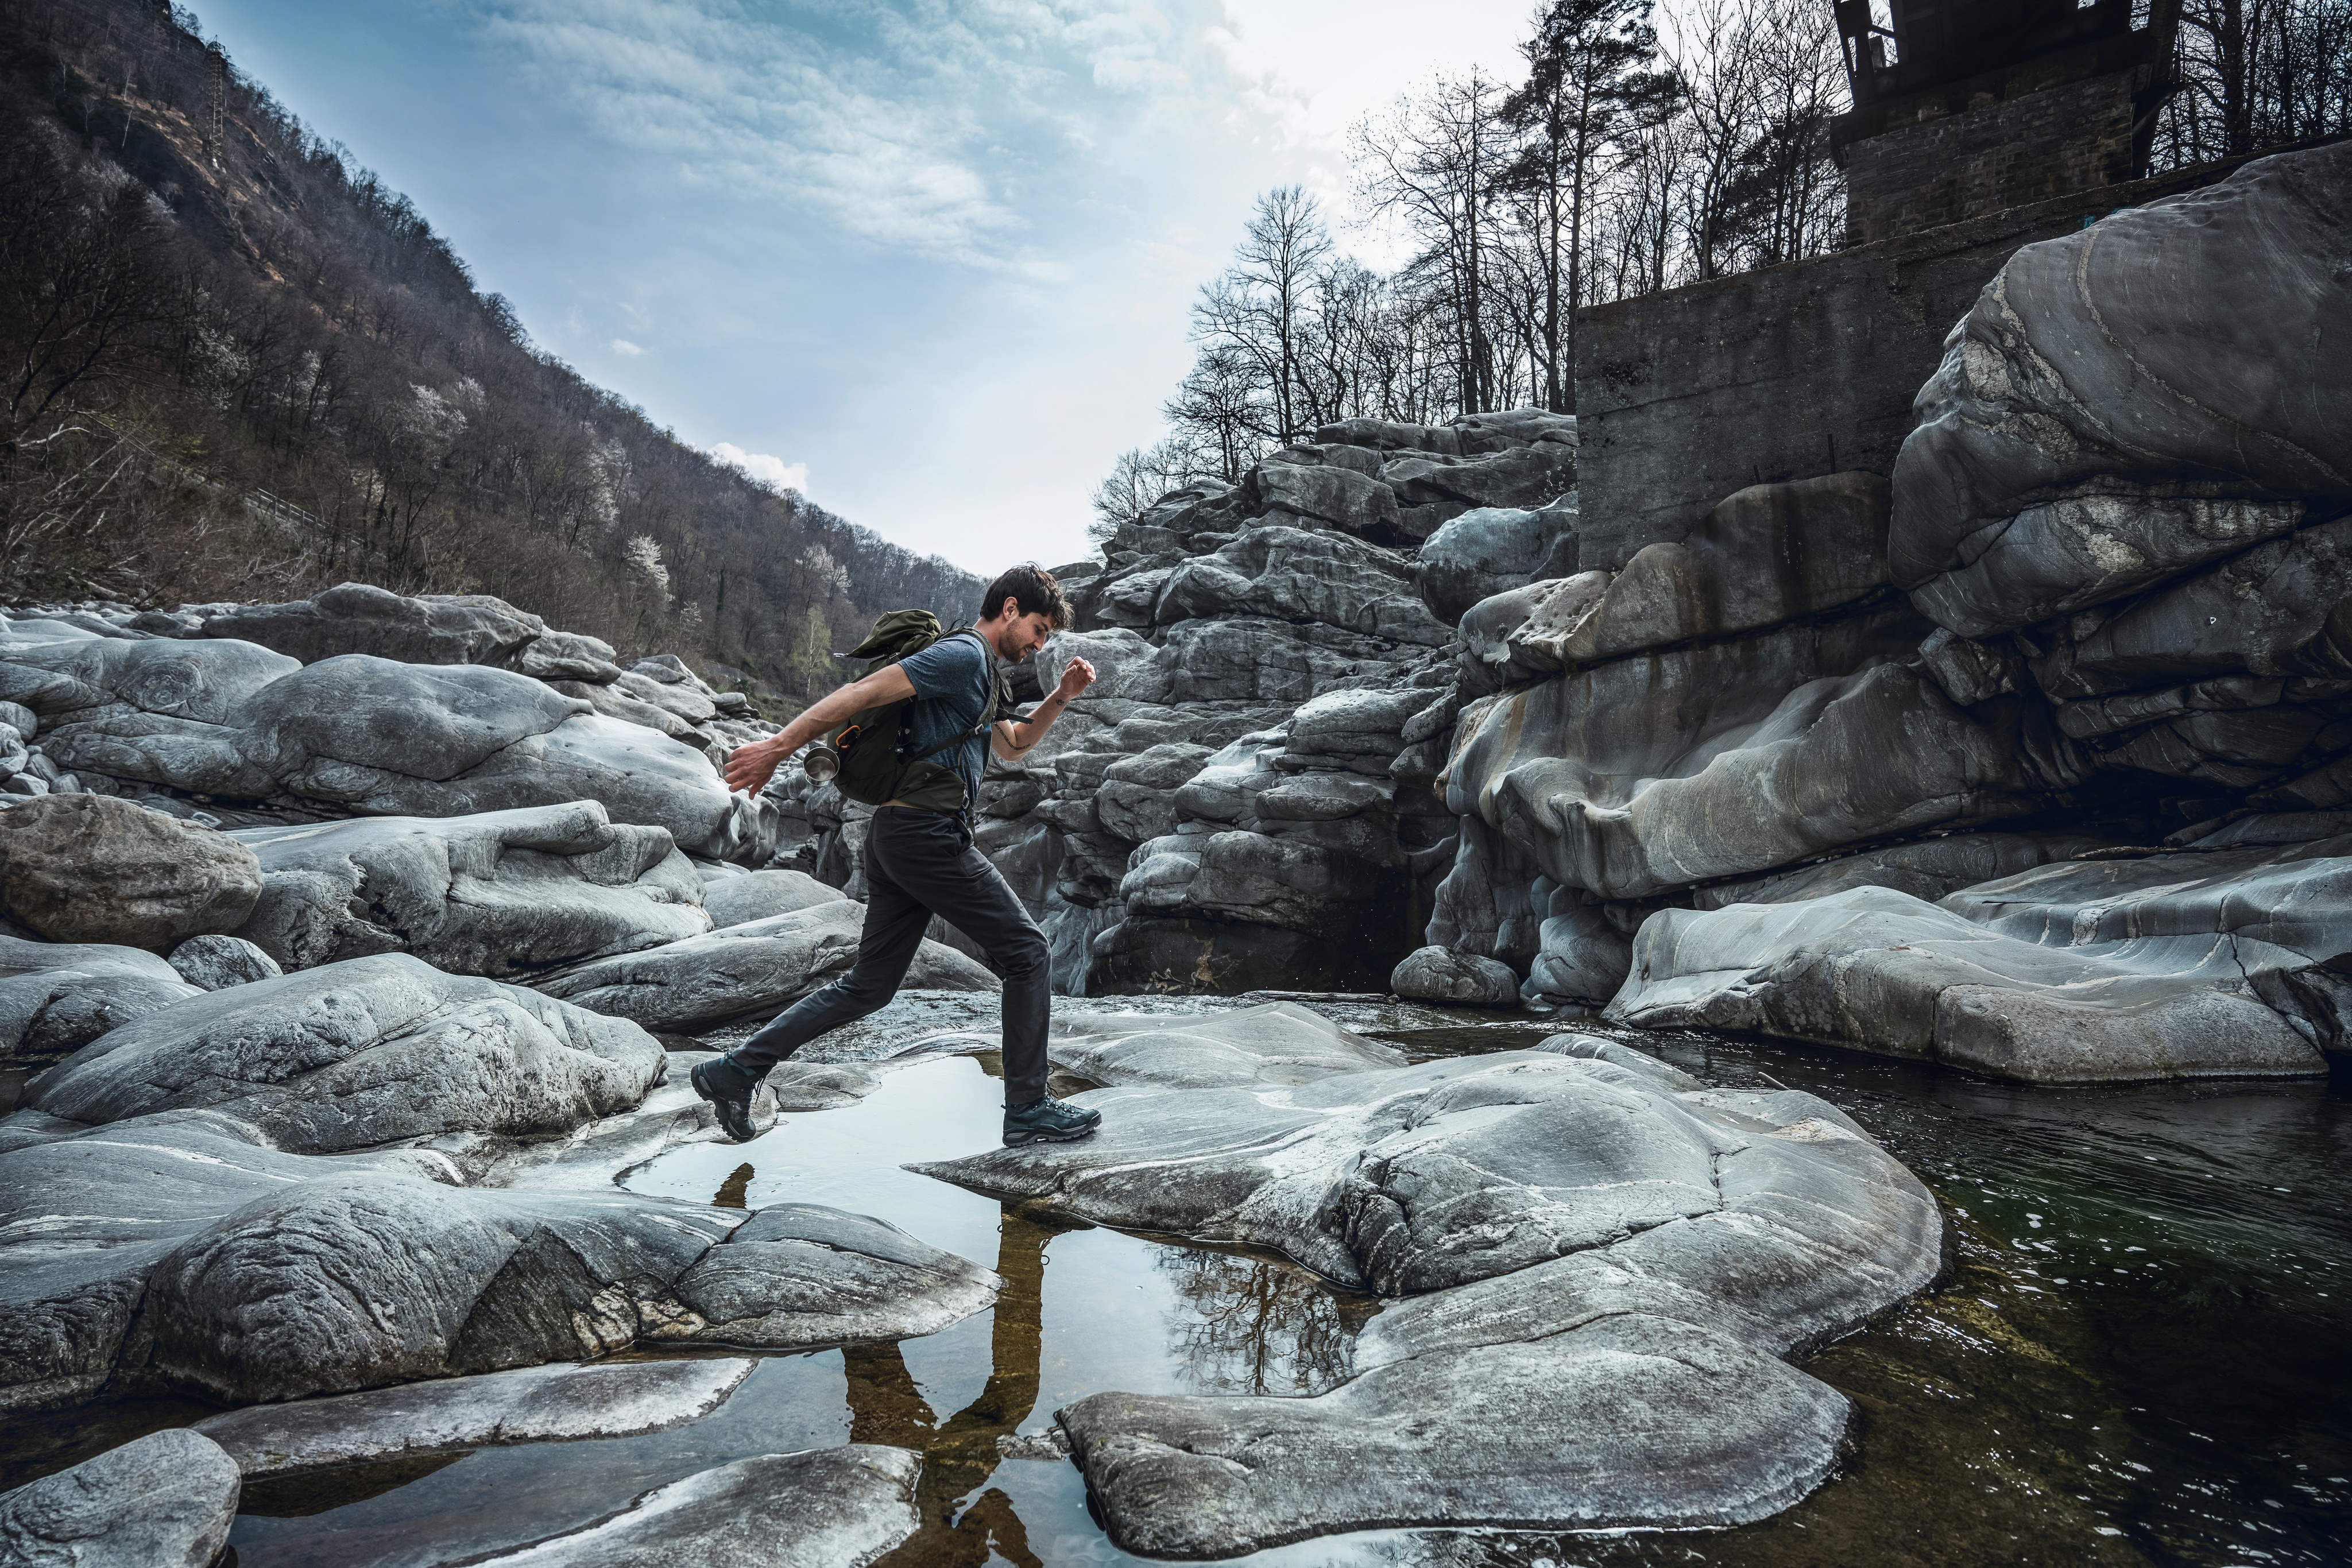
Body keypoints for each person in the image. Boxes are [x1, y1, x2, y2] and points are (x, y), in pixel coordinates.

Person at [693, 564, 1102, 1149]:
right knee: (1029, 952)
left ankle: (733, 1072)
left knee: (870, 985)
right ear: (1009, 609)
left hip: (897, 836)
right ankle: (1029, 1107)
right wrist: (778, 747)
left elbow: (1015, 744)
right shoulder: (962, 656)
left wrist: (1061, 697)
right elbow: (864, 692)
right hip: (924, 834)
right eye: (1037, 628)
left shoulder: (982, 678)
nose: (1038, 644)